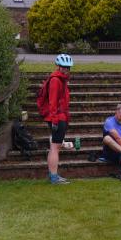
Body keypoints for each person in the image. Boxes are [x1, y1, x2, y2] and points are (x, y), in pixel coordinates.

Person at [44, 53, 73, 185]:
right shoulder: (56, 80)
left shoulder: (62, 79)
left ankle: (52, 175)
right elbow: (53, 102)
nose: (66, 69)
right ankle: (54, 177)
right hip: (57, 118)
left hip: (60, 117)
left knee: (54, 147)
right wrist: (55, 120)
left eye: (68, 67)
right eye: (63, 67)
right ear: (58, 66)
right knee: (56, 147)